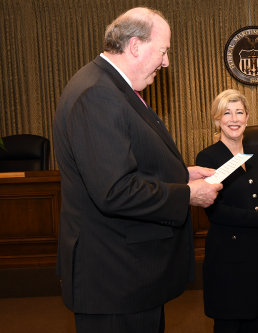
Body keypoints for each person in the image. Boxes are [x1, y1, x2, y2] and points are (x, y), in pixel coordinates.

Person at [52, 7, 222, 333]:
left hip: (127, 277)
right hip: (115, 280)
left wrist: (180, 175)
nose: (166, 62)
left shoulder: (110, 86)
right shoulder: (98, 94)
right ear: (135, 46)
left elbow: (125, 162)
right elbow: (114, 191)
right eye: (164, 51)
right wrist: (187, 194)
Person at [196, 89, 258, 333]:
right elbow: (215, 211)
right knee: (230, 322)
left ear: (248, 117)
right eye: (227, 113)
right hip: (229, 256)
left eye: (239, 112)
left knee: (257, 322)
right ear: (217, 120)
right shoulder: (208, 157)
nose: (234, 119)